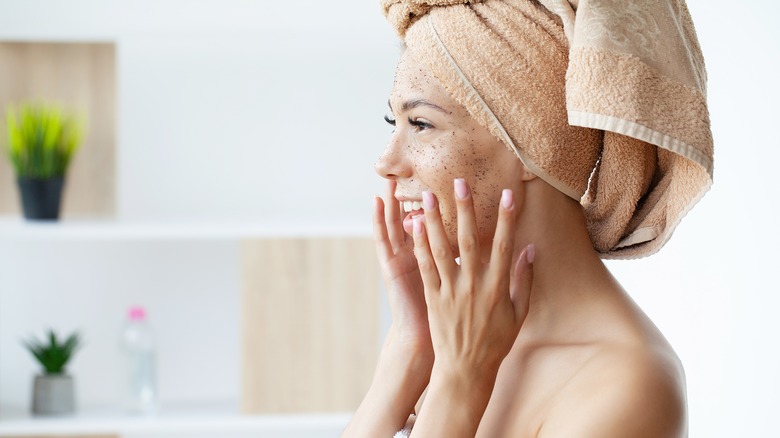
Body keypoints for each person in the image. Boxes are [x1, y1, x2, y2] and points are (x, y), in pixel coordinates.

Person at [343, 0, 713, 436]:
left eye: (421, 124)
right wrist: (407, 349)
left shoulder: (624, 386)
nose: (386, 162)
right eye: (394, 122)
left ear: (530, 148)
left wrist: (458, 390)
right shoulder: (453, 343)